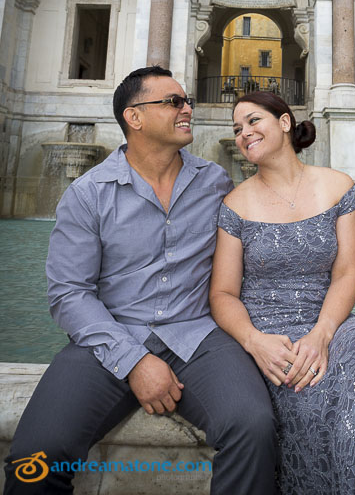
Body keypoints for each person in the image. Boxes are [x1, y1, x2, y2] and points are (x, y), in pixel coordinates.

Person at [4, 66, 277, 495]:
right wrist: (132, 361)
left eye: (186, 101)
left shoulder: (215, 182)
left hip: (198, 337)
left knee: (254, 426)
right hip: (109, 337)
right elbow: (69, 294)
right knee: (32, 460)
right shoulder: (87, 193)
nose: (187, 108)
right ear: (135, 117)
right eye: (174, 102)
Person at [210, 91, 355, 494]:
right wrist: (254, 341)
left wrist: (322, 334)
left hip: (330, 323)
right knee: (309, 396)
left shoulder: (338, 186)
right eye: (237, 128)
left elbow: (347, 272)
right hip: (268, 337)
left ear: (284, 122)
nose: (244, 133)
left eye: (253, 121)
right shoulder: (235, 204)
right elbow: (223, 294)